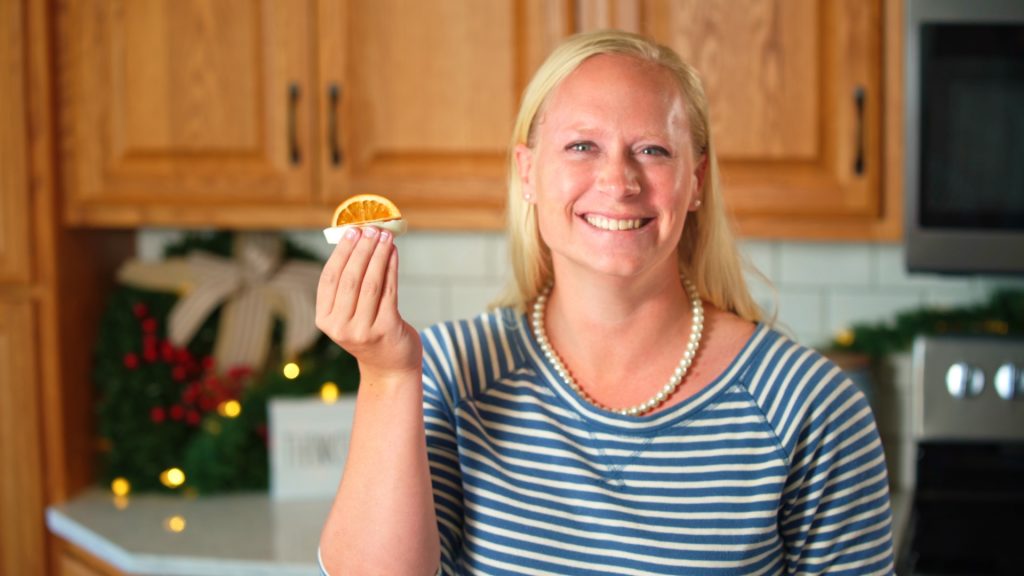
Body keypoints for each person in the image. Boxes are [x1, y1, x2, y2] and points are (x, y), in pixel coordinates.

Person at [315, 29, 895, 575]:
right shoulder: (444, 372)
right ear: (528, 173)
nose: (618, 182)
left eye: (652, 150)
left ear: (696, 181)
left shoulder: (811, 407)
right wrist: (387, 377)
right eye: (582, 145)